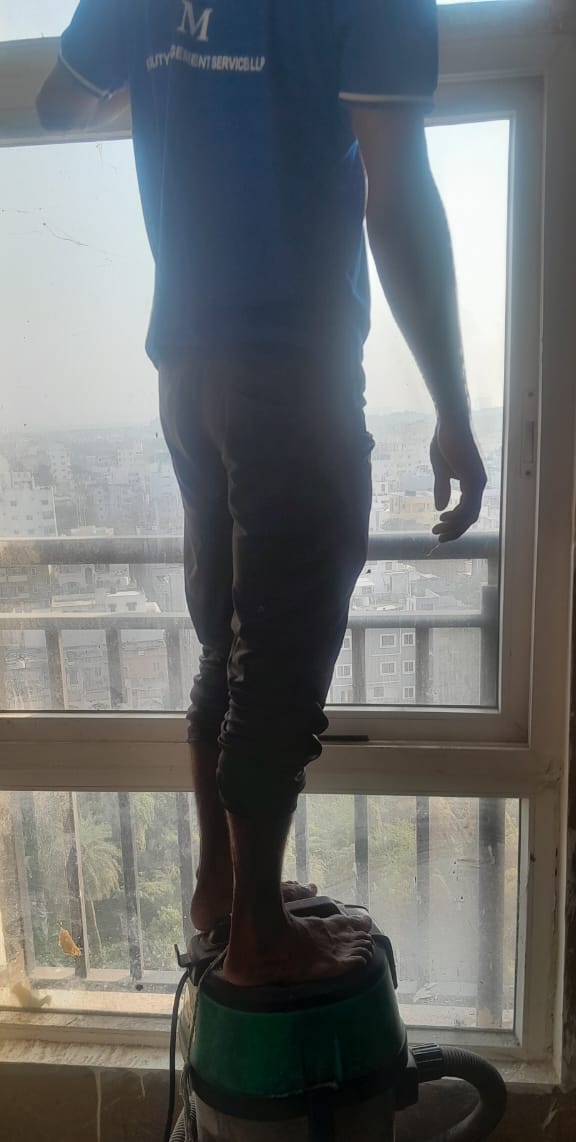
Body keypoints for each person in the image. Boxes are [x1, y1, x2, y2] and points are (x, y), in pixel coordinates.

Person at [37, 0, 486, 988]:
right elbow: (396, 197)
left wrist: (183, 95)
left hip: (186, 372)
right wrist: (454, 409)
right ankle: (257, 937)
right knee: (277, 664)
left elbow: (57, 102)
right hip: (292, 373)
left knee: (229, 642)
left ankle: (222, 890)